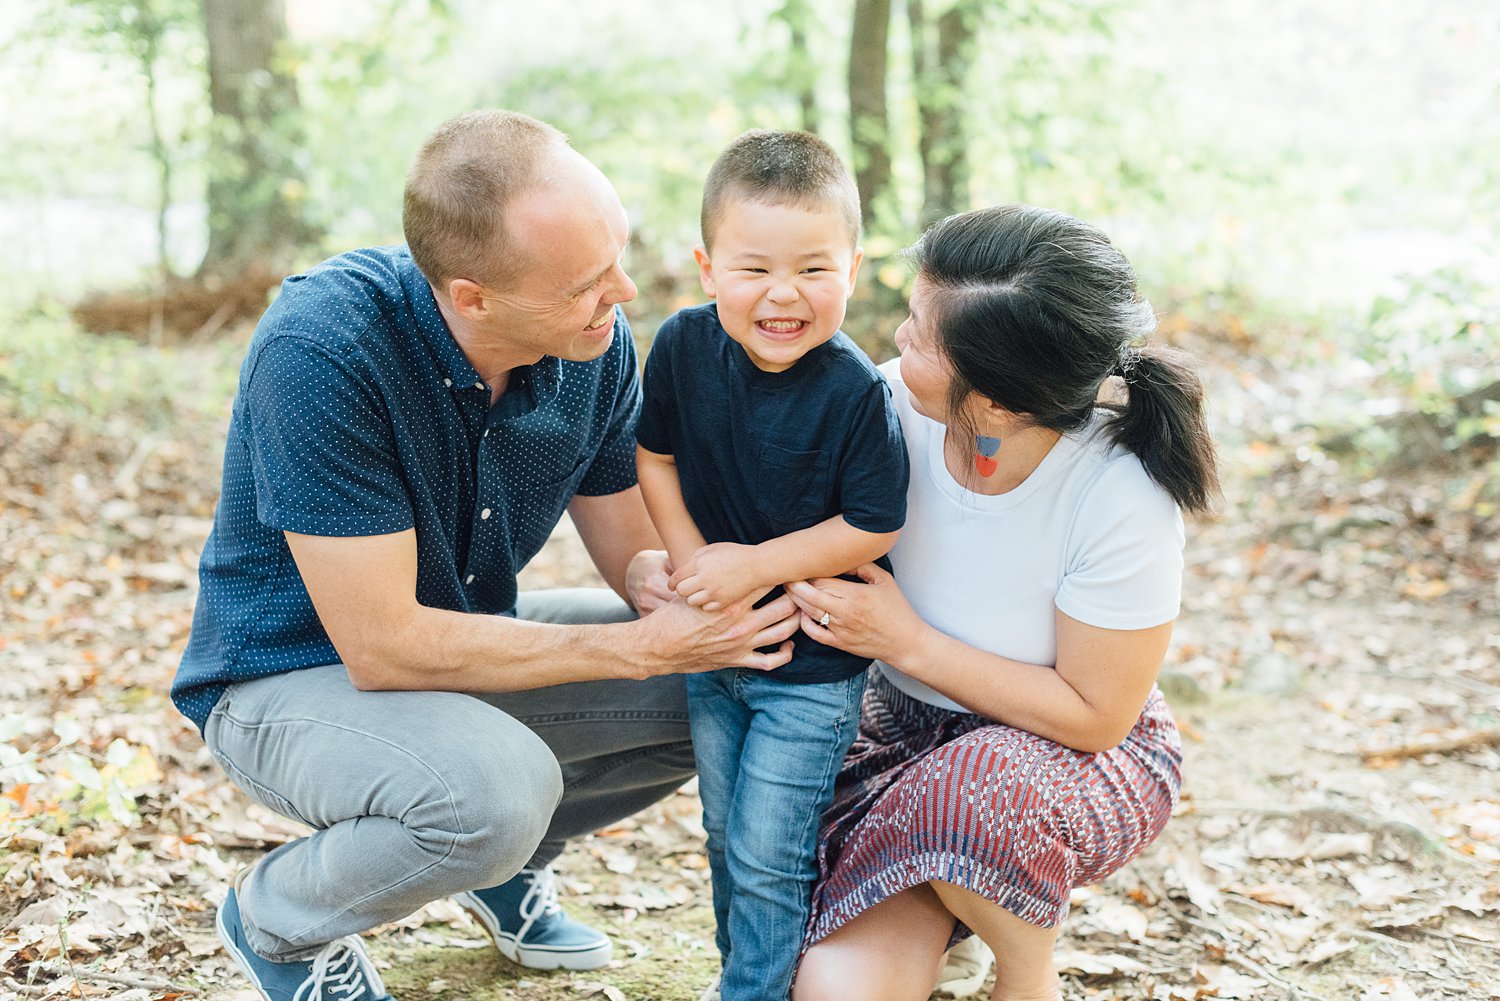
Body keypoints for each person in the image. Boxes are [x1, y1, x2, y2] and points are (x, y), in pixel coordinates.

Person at [170, 110, 802, 1001]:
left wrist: (666, 589)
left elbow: (631, 547)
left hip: (459, 641)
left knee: (730, 675)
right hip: (286, 673)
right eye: (587, 281)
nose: (622, 291)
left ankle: (503, 871)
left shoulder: (589, 341)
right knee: (491, 796)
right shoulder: (324, 350)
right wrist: (632, 648)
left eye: (618, 255)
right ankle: (278, 921)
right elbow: (382, 645)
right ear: (472, 297)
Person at [787, 204, 1221, 1001]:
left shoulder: (1118, 491)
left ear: (994, 403)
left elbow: (1095, 714)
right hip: (891, 739)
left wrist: (908, 641)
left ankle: (1025, 969)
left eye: (919, 336)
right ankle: (948, 907)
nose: (894, 345)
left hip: (1056, 757)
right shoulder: (880, 409)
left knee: (974, 788)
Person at [634, 129, 909, 1001]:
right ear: (708, 267)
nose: (783, 295)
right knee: (723, 831)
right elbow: (656, 457)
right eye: (753, 269)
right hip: (717, 649)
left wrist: (751, 567)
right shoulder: (681, 345)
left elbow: (873, 522)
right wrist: (693, 572)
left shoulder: (856, 390)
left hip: (811, 667)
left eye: (814, 270)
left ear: (854, 270)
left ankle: (755, 989)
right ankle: (743, 978)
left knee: (768, 853)